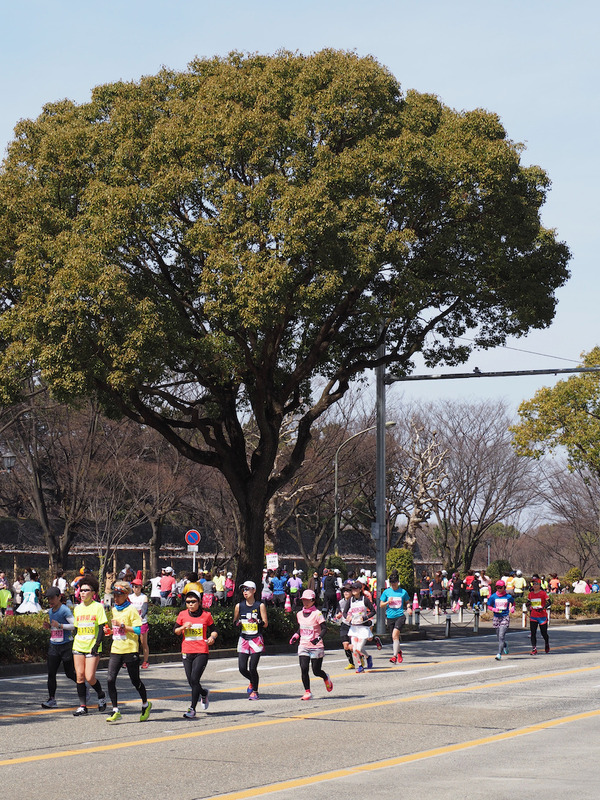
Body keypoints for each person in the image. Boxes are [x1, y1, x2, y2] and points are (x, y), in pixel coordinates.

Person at [105, 581, 152, 723]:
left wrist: (123, 626)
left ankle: (145, 704)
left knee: (135, 681)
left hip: (130, 649)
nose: (116, 598)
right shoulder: (114, 609)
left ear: (126, 595)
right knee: (110, 679)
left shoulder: (131, 609)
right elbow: (116, 630)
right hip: (116, 648)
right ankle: (115, 710)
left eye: (119, 595)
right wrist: (108, 631)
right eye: (115, 595)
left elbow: (139, 630)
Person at [174, 589, 217, 718]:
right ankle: (203, 693)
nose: (190, 604)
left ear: (199, 602)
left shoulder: (206, 615)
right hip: (187, 651)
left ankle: (192, 709)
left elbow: (214, 630)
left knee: (194, 679)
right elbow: (175, 631)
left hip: (201, 651)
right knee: (191, 682)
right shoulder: (182, 615)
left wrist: (212, 638)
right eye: (188, 602)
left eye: (193, 601)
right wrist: (183, 627)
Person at [71, 575, 107, 716]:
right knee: (80, 676)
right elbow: (76, 628)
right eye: (81, 590)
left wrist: (96, 645)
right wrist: (76, 643)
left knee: (90, 677)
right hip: (78, 646)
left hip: (93, 646)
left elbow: (102, 627)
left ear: (93, 593)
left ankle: (101, 694)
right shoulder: (77, 608)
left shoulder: (98, 607)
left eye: (86, 590)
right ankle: (82, 706)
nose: (83, 593)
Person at [289, 589, 333, 700]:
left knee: (316, 670)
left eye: (308, 600)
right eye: (304, 600)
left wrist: (318, 639)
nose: (305, 602)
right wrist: (296, 636)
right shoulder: (299, 614)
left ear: (313, 600)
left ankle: (325, 677)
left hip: (316, 647)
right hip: (303, 645)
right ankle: (307, 692)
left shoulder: (317, 614)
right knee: (304, 668)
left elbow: (324, 628)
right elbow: (302, 627)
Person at [41, 586, 78, 708]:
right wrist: (49, 626)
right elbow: (55, 627)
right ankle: (52, 699)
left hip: (66, 645)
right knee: (51, 673)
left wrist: (60, 625)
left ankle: (83, 685)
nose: (50, 601)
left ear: (59, 597)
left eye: (52, 598)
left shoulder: (64, 610)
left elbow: (74, 625)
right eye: (48, 599)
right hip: (54, 645)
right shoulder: (51, 611)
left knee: (69, 673)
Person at [233, 580, 268, 700]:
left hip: (256, 639)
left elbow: (265, 624)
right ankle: (252, 681)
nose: (245, 592)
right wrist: (237, 623)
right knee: (242, 668)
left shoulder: (260, 605)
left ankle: (255, 691)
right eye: (243, 589)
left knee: (252, 667)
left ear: (254, 591)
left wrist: (258, 621)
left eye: (247, 589)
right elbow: (234, 621)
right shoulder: (239, 606)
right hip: (243, 639)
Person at [344, 581, 377, 672]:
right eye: (352, 589)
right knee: (354, 649)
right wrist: (347, 617)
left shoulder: (364, 599)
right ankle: (360, 666)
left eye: (355, 589)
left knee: (359, 648)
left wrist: (365, 617)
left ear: (359, 590)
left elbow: (373, 611)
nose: (353, 591)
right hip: (354, 628)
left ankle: (368, 657)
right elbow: (344, 612)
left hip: (363, 627)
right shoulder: (350, 600)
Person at [379, 571, 411, 664]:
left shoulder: (403, 592)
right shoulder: (386, 592)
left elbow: (407, 602)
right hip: (390, 616)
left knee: (395, 635)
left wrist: (408, 608)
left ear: (398, 582)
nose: (393, 584)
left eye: (395, 582)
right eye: (391, 582)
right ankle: (399, 652)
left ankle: (394, 656)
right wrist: (387, 602)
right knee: (394, 638)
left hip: (400, 616)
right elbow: (381, 605)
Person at [487, 579, 515, 661]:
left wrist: (512, 608)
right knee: (499, 636)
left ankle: (499, 653)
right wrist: (493, 609)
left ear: (504, 587)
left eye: (501, 587)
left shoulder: (508, 596)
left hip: (505, 617)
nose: (499, 589)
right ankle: (504, 644)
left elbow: (513, 603)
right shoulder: (493, 596)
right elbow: (489, 605)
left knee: (501, 635)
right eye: (497, 587)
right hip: (496, 617)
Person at [526, 575, 551, 655]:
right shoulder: (530, 594)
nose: (534, 585)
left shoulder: (543, 593)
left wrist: (543, 608)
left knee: (544, 633)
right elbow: (528, 602)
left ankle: (546, 643)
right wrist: (528, 605)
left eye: (536, 584)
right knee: (533, 633)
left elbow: (549, 602)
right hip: (533, 616)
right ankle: (534, 648)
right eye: (533, 584)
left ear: (540, 585)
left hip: (542, 616)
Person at [129, 576, 150, 668]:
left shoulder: (144, 597)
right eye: (133, 586)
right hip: (132, 623)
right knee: (132, 642)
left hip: (142, 623)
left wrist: (141, 616)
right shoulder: (129, 597)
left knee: (143, 642)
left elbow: (145, 608)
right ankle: (130, 660)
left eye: (137, 586)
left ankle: (145, 661)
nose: (135, 588)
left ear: (140, 587)